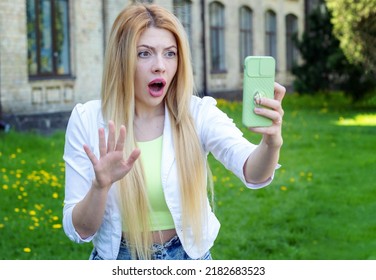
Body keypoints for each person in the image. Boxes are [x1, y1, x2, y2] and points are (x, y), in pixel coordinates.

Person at [63, 2, 285, 260]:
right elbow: (78, 229)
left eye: (170, 53)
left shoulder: (198, 113)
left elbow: (253, 172)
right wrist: (100, 187)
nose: (160, 66)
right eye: (144, 53)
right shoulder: (87, 120)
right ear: (121, 59)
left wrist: (271, 143)